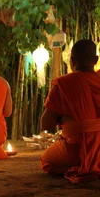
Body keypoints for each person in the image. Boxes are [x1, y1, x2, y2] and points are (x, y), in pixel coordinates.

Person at [40, 39, 100, 183]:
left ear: (71, 60)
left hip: (77, 148)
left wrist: (64, 117)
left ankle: (81, 166)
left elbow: (46, 123)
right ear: (96, 60)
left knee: (46, 161)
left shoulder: (64, 83)